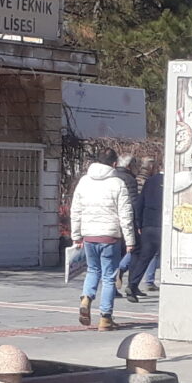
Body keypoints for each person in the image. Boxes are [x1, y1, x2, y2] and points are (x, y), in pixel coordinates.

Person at [67, 139, 135, 329]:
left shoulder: (84, 181)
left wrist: (76, 235)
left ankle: (86, 298)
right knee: (109, 276)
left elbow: (76, 210)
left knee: (93, 270)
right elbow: (125, 214)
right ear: (114, 164)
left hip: (89, 235)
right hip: (110, 236)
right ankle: (105, 318)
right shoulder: (118, 183)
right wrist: (130, 240)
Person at [123, 150, 164, 298]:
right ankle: (136, 284)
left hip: (148, 224)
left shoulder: (150, 181)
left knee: (144, 256)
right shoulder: (172, 182)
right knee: (161, 256)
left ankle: (132, 285)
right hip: (163, 224)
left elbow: (140, 202)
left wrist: (139, 223)